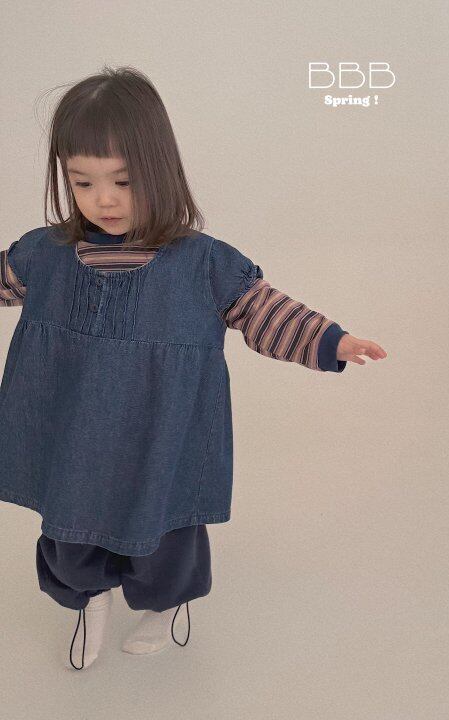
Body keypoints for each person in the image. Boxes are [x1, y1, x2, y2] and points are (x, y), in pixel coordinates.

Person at [0, 66, 387, 671]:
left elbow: (262, 311)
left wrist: (332, 341)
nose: (104, 199)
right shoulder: (43, 256)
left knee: (164, 537)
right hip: (74, 438)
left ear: (160, 169)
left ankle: (165, 604)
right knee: (70, 531)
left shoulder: (203, 264)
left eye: (123, 181)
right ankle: (89, 599)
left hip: (163, 439)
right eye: (83, 182)